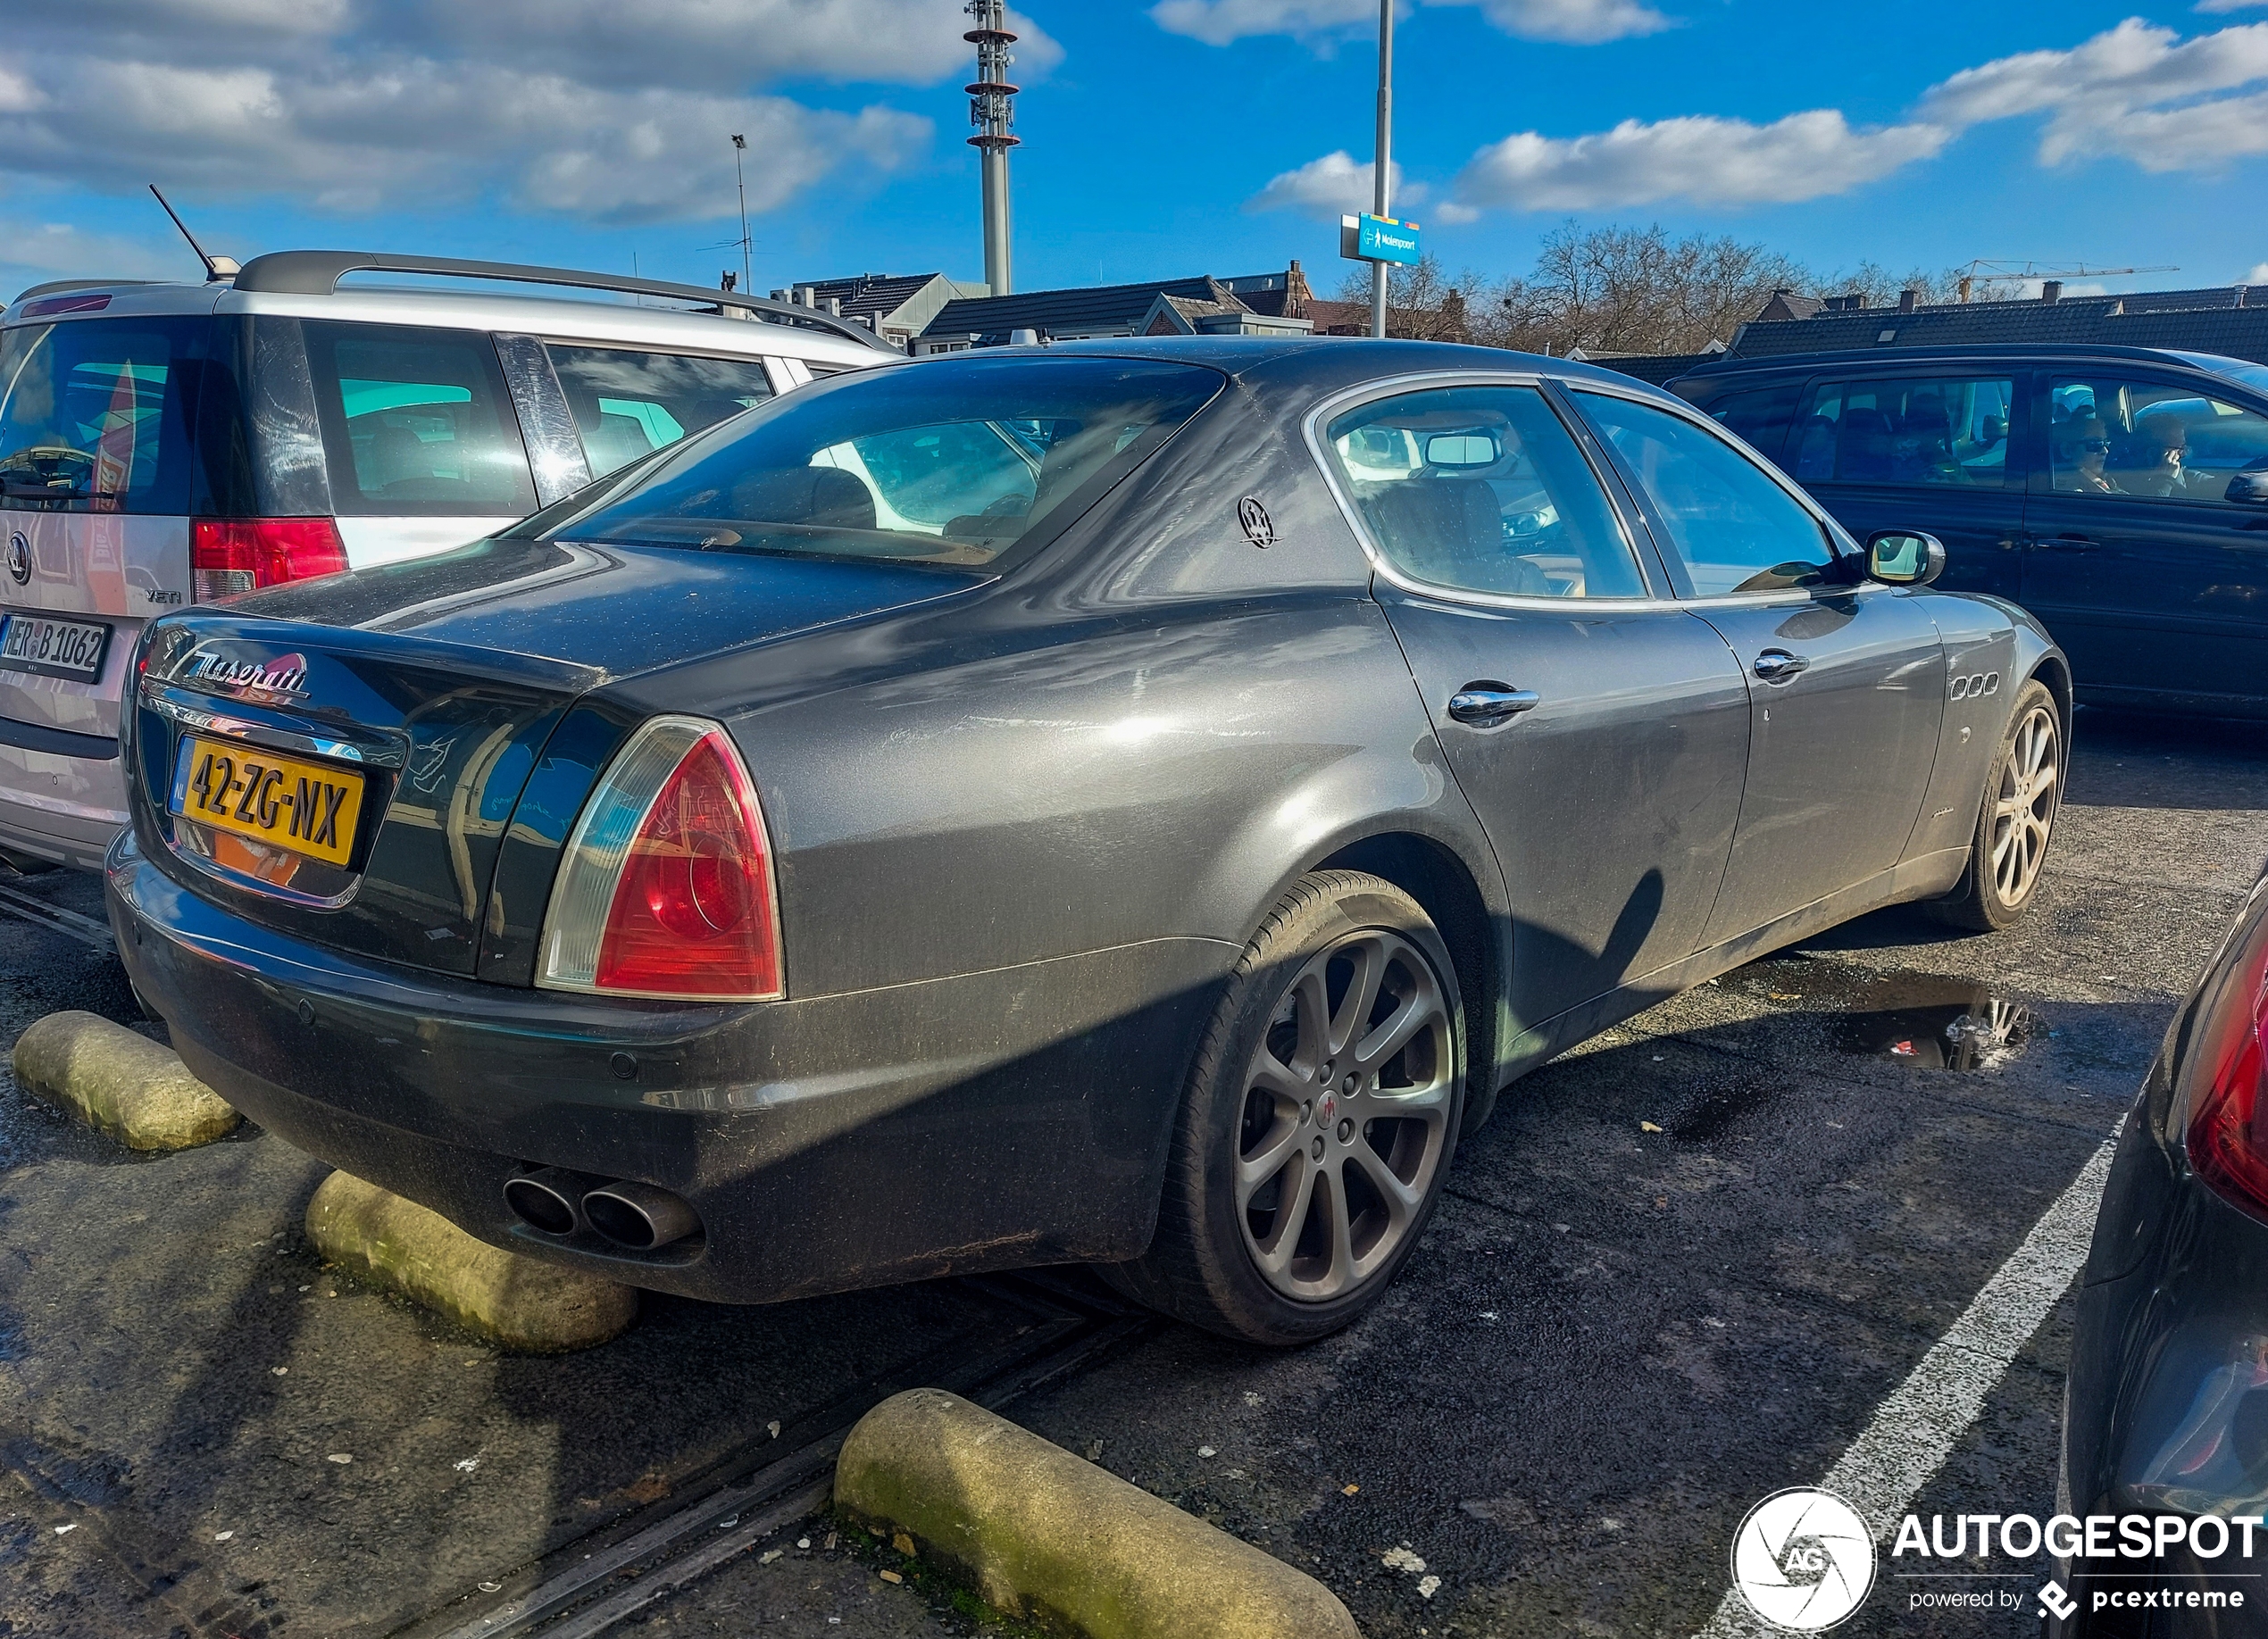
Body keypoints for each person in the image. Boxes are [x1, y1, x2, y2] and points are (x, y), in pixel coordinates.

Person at [2124, 412, 2197, 498]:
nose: (2183, 453)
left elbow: (2195, 477)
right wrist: (2166, 480)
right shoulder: (2124, 480)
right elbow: (2151, 509)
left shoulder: (2176, 471)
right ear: (2152, 453)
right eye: (2178, 448)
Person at [2056, 414, 2119, 494]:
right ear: (2067, 450)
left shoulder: (2107, 478)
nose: (2105, 451)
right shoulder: (2072, 492)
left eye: (2105, 443)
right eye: (2094, 443)